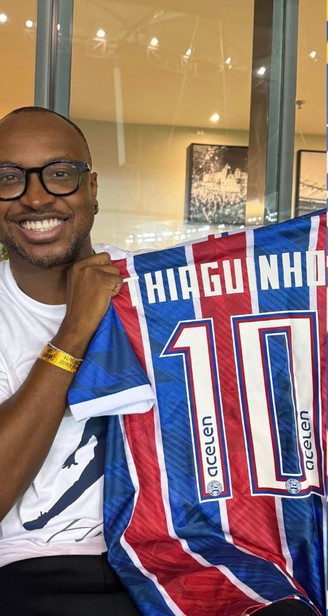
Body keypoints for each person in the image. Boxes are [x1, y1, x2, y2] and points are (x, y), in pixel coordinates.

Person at [0, 107, 137, 614]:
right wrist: (76, 328)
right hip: (35, 568)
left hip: (172, 555)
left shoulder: (157, 291)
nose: (35, 197)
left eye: (60, 173)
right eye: (8, 178)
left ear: (92, 188)